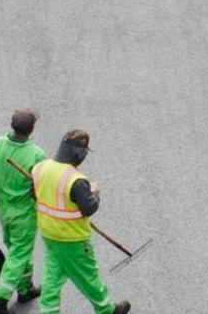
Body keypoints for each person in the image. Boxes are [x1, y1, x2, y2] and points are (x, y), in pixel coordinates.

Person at [32, 129, 131, 314]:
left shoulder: (40, 167)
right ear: (78, 153)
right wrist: (95, 194)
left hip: (49, 234)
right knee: (88, 275)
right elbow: (89, 208)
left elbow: (34, 194)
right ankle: (106, 309)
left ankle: (48, 311)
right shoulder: (76, 180)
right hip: (72, 239)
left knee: (52, 278)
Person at [0, 109, 48, 314]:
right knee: (19, 253)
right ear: (31, 130)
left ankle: (25, 289)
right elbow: (41, 186)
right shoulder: (36, 154)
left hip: (3, 210)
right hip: (24, 213)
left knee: (17, 250)